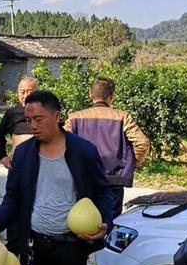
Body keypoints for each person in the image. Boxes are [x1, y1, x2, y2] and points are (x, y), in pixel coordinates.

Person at [0, 91, 114, 265]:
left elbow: (102, 191)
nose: (32, 125)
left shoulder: (83, 151)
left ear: (57, 116)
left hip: (71, 246)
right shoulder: (23, 154)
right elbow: (13, 197)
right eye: (28, 120)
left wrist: (106, 222)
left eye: (38, 119)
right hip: (34, 246)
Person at [64, 75, 150, 220]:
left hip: (83, 178)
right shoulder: (122, 117)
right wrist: (131, 163)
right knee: (110, 222)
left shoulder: (74, 118)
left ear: (90, 94)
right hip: (113, 180)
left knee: (82, 221)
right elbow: (142, 142)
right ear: (111, 97)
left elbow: (62, 142)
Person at [0, 76, 39, 169]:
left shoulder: (46, 112)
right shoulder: (12, 113)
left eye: (29, 92)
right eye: (22, 92)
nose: (25, 96)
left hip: (41, 164)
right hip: (18, 164)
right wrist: (3, 156)